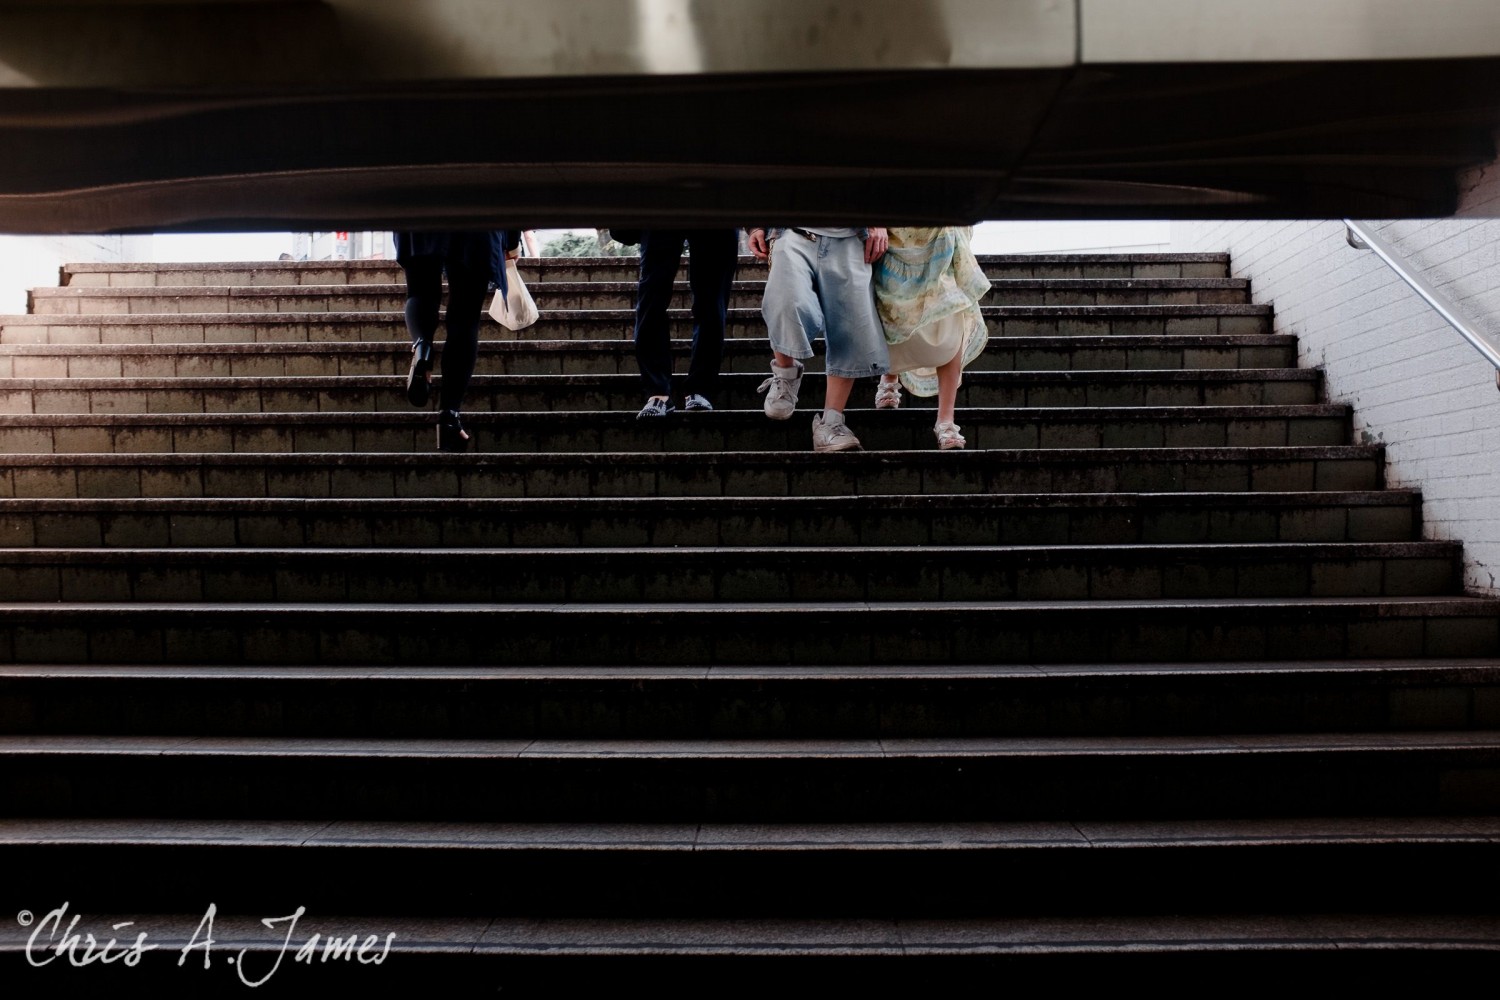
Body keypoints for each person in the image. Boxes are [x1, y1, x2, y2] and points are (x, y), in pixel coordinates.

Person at [748, 226, 889, 451]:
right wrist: (756, 226)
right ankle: (786, 374)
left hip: (851, 234)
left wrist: (878, 221)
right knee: (785, 299)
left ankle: (831, 423)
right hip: (794, 229)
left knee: (851, 323)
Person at [394, 228, 522, 451]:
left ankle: (422, 346)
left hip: (419, 210)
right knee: (465, 317)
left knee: (421, 291)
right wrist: (511, 241)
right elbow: (512, 194)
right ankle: (449, 416)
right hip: (479, 220)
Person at [870, 226, 991, 450]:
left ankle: (946, 420)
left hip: (943, 228)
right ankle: (889, 377)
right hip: (899, 229)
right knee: (894, 309)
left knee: (951, 312)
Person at [624, 229, 741, 418]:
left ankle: (700, 389)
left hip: (716, 210)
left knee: (711, 301)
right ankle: (658, 393)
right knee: (651, 297)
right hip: (661, 208)